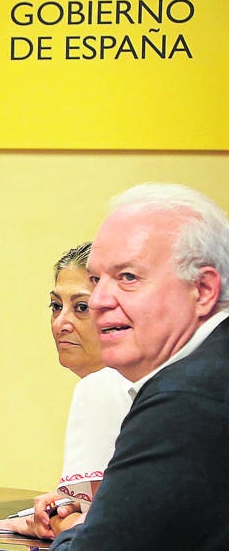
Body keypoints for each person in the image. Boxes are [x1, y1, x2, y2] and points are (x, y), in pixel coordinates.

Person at [47, 183, 229, 550]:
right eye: (97, 280)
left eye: (128, 278)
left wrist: (70, 526)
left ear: (204, 289)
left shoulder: (184, 399)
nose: (98, 301)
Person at [0, 243, 132, 539]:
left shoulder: (100, 387)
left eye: (81, 307)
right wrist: (72, 505)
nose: (60, 323)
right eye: (56, 306)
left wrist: (55, 524)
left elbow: (102, 531)